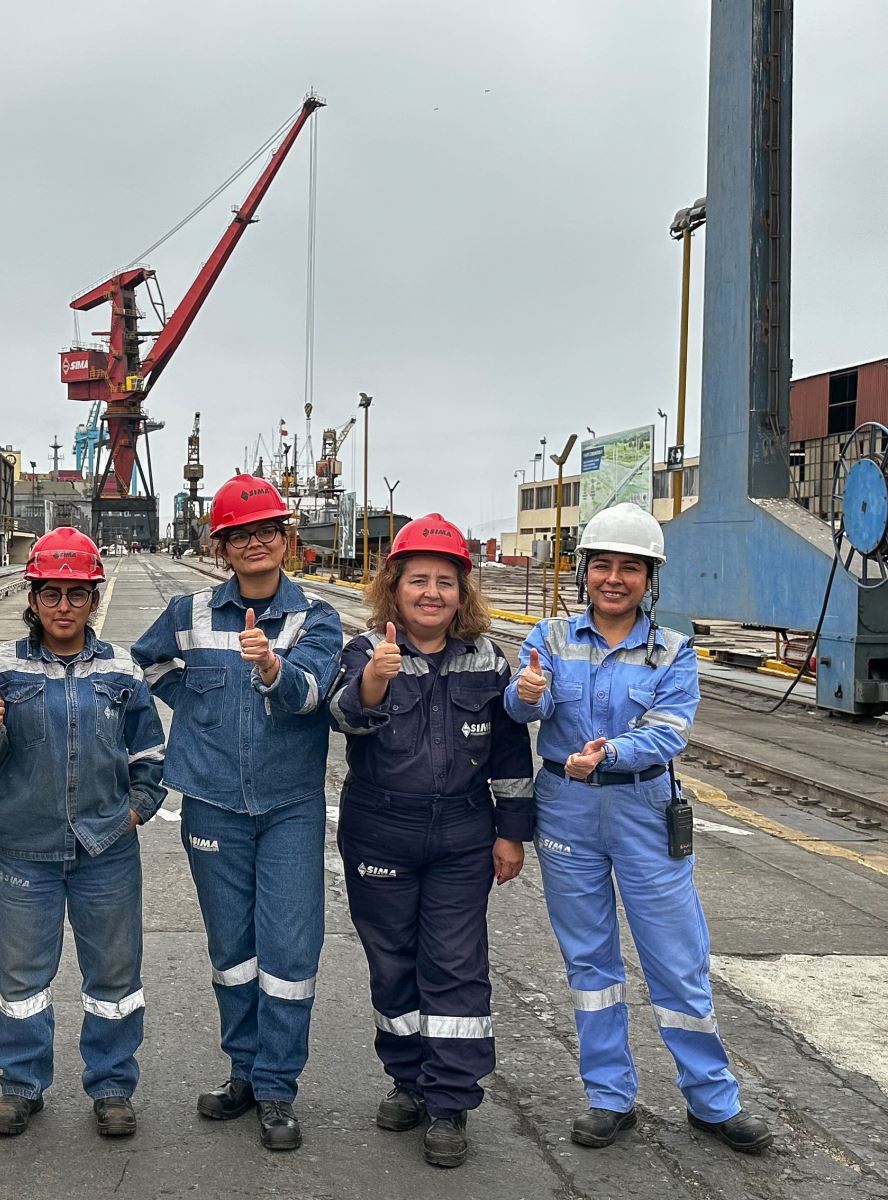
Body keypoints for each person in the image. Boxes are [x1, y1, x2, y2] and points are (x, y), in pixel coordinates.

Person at [504, 502, 772, 1155]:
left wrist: (611, 754)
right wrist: (529, 693)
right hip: (567, 808)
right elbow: (515, 705)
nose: (614, 578)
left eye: (631, 567)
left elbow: (669, 730)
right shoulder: (551, 636)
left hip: (643, 808)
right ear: (585, 572)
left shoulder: (674, 652)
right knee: (590, 959)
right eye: (603, 565)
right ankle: (608, 1097)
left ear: (650, 578)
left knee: (677, 959)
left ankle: (712, 1101)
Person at [130, 474, 343, 1152]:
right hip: (213, 802)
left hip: (289, 806)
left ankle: (278, 1088)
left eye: (266, 532)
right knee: (233, 953)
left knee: (288, 949)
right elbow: (147, 662)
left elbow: (313, 692)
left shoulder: (316, 618)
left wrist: (275, 673)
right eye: (239, 535)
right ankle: (244, 1072)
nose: (254, 543)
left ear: (287, 541)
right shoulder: (190, 612)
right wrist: (193, 706)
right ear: (222, 546)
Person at [327, 515, 533, 1168]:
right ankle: (407, 1080)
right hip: (380, 832)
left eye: (446, 582)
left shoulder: (486, 658)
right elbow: (342, 715)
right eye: (419, 580)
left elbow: (508, 752)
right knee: (392, 964)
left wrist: (512, 835)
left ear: (461, 594)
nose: (432, 593)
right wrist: (375, 682)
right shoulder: (366, 652)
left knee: (455, 966)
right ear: (395, 586)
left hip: (462, 839)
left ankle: (449, 1102)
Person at [0, 528, 166, 1140]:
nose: (63, 608)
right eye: (51, 594)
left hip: (106, 848)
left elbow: (150, 750)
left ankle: (111, 1087)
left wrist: (136, 809)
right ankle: (21, 1086)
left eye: (77, 595)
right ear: (33, 597)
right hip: (26, 848)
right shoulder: (2, 665)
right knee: (22, 977)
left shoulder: (121, 668)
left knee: (114, 976)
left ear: (93, 597)